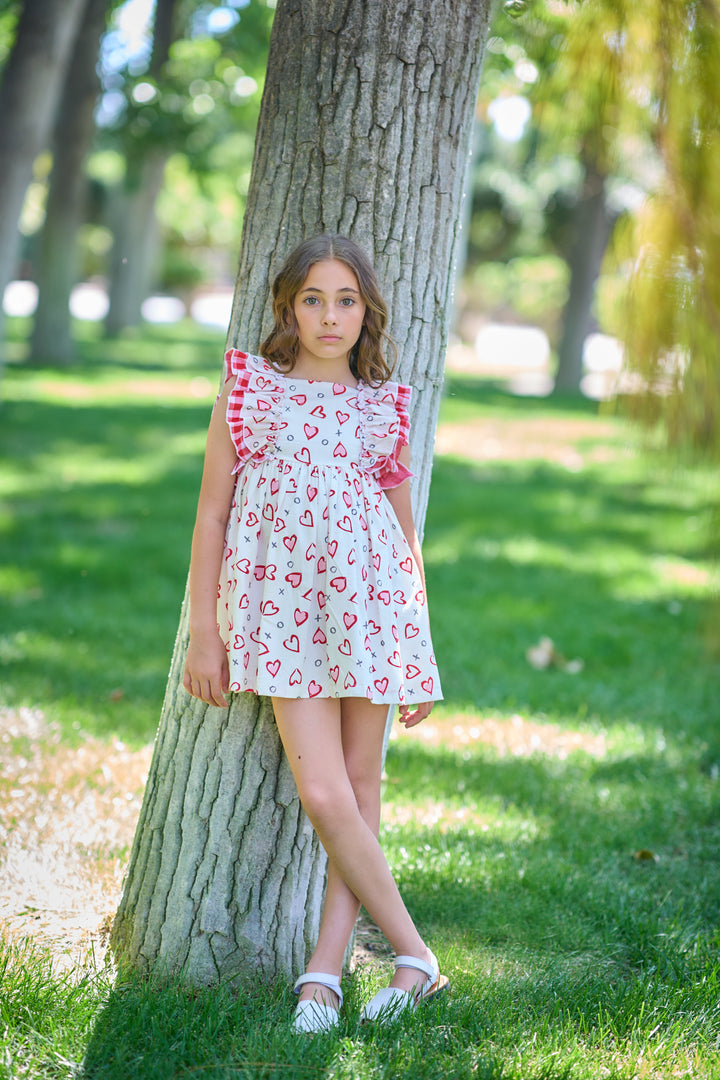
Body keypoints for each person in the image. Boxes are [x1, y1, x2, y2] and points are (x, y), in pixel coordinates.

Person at [183, 234, 448, 1032]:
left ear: (366, 313)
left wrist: (419, 649)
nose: (329, 317)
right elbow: (212, 514)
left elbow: (406, 542)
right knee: (325, 792)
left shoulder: (382, 406)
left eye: (346, 301)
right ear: (286, 307)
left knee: (360, 792)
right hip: (284, 621)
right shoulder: (250, 391)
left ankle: (323, 977)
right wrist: (206, 633)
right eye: (312, 299)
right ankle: (416, 954)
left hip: (371, 615)